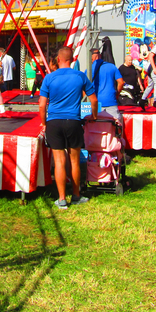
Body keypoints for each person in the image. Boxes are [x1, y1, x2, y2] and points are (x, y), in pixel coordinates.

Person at [39, 46, 97, 210]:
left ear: (58, 59)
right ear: (72, 60)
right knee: (74, 161)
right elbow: (93, 100)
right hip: (73, 121)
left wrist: (44, 123)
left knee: (59, 161)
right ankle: (76, 195)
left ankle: (62, 199)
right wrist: (93, 116)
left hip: (54, 122)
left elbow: (42, 106)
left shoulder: (49, 78)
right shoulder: (80, 76)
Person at [90, 44, 124, 122]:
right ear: (100, 56)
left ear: (93, 57)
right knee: (115, 127)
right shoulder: (112, 66)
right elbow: (121, 82)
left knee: (96, 129)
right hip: (111, 101)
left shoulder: (89, 69)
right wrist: (117, 94)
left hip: (96, 103)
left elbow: (84, 87)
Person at [140, 38, 156, 109]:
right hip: (152, 67)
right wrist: (154, 68)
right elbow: (150, 56)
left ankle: (142, 100)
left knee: (151, 84)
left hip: (152, 68)